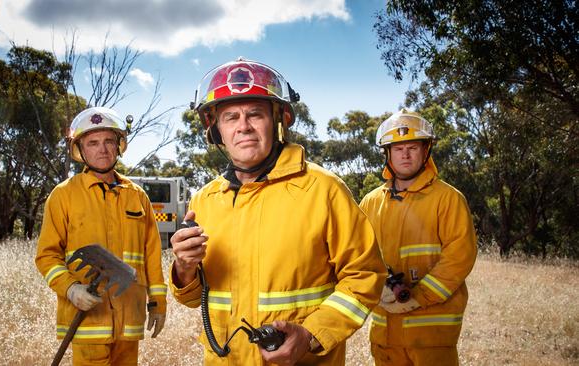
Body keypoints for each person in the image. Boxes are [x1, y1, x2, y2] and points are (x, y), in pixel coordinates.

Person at [170, 57, 386, 365]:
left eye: (254, 114)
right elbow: (194, 299)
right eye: (230, 117)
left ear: (277, 121)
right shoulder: (204, 200)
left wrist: (311, 334)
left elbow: (365, 277)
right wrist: (184, 268)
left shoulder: (324, 190)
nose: (243, 126)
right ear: (216, 130)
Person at [35, 106, 167, 365]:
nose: (102, 149)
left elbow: (151, 255)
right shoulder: (64, 195)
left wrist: (158, 302)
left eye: (109, 141)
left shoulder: (137, 196)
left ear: (119, 145)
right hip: (87, 321)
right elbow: (47, 256)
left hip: (129, 318)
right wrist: (71, 289)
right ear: (80, 149)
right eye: (93, 143)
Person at [359, 109, 477, 366]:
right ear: (387, 154)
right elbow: (358, 255)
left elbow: (460, 257)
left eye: (412, 147)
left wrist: (417, 296)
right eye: (398, 148)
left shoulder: (448, 199)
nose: (405, 154)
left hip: (431, 335)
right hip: (385, 335)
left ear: (426, 151)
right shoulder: (370, 202)